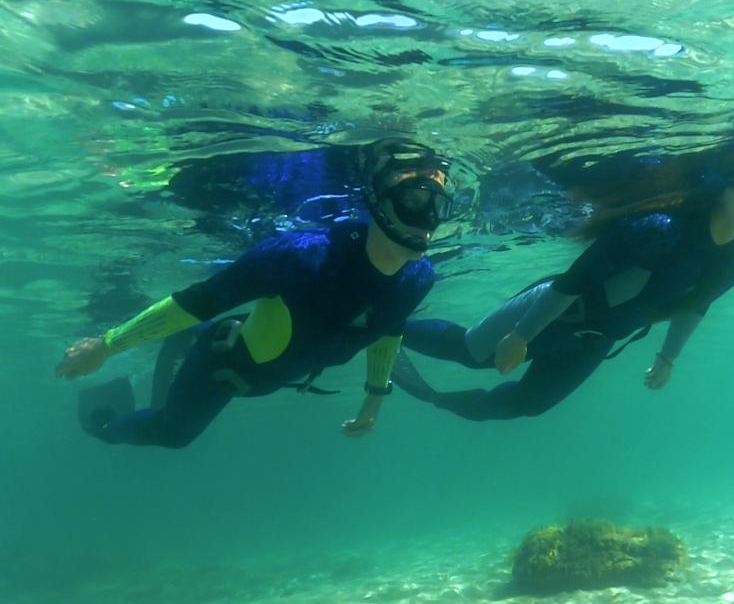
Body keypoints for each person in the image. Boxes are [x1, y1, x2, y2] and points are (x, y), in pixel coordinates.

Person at [55, 138, 455, 447]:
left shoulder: (418, 279)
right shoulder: (300, 255)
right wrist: (106, 346)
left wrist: (374, 398)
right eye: (414, 200)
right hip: (223, 367)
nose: (428, 220)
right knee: (174, 434)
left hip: (268, 373)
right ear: (376, 200)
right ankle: (105, 429)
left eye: (440, 206)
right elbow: (198, 301)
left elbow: (389, 327)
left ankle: (184, 336)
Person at [393, 136, 734, 421]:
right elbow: (571, 283)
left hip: (598, 340)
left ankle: (435, 399)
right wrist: (520, 335)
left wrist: (667, 357)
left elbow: (697, 302)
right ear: (725, 181)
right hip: (558, 310)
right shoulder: (660, 229)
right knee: (470, 353)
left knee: (528, 405)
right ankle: (385, 323)